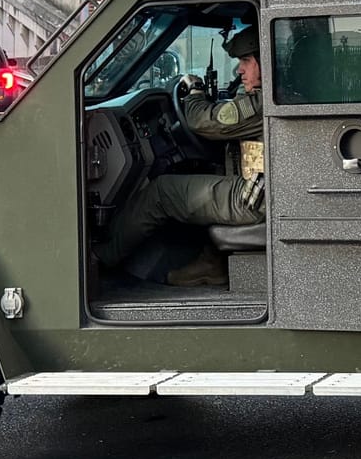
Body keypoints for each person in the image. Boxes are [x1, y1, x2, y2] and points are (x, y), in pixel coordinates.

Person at [101, 25, 264, 288]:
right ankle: (214, 262)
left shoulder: (260, 104)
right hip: (259, 193)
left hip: (252, 201)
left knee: (161, 192)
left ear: (265, 62)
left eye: (246, 61)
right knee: (205, 173)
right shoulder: (268, 97)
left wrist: (196, 92)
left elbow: (203, 121)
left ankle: (100, 259)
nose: (239, 70)